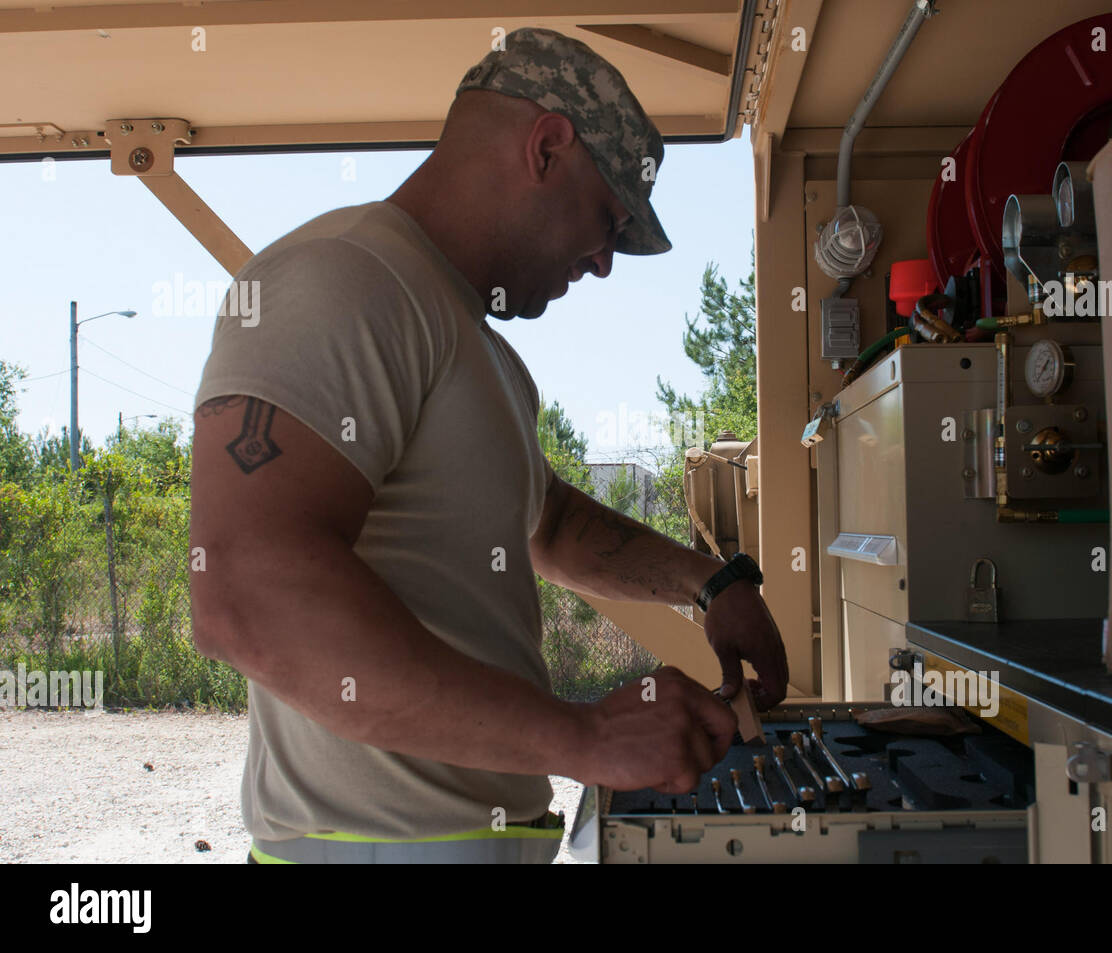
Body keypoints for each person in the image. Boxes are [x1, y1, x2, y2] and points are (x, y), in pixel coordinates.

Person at [189, 27, 789, 864]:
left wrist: (711, 583)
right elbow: (244, 593)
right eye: (609, 218)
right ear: (546, 146)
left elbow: (547, 523)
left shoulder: (478, 346)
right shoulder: (343, 280)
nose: (607, 262)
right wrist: (585, 737)